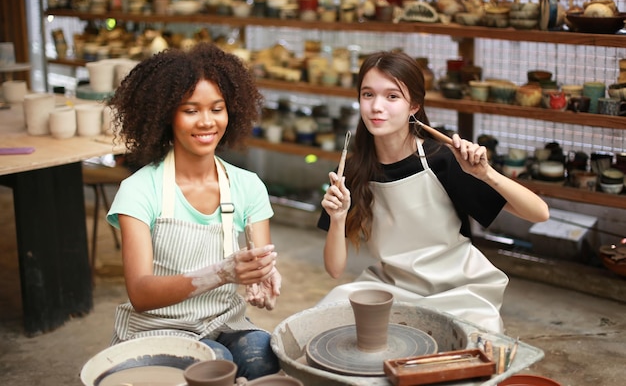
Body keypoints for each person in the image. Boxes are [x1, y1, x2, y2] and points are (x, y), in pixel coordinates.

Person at [318, 50, 549, 333]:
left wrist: (485, 174)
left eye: (392, 96)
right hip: (390, 288)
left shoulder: (444, 158)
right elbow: (334, 270)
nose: (377, 106)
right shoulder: (351, 172)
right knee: (325, 319)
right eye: (368, 94)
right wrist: (338, 217)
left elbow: (539, 213)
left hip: (459, 291)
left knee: (476, 347)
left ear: (413, 105)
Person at [106, 42, 282, 380]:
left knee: (267, 357)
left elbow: (259, 262)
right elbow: (140, 293)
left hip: (223, 321)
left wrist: (264, 279)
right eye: (190, 110)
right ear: (165, 115)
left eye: (217, 109)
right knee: (212, 365)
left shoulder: (248, 187)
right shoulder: (141, 190)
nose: (206, 122)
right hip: (157, 327)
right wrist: (222, 273)